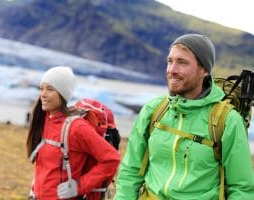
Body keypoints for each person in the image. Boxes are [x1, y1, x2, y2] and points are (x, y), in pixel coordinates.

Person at [114, 34, 254, 199]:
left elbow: (242, 189)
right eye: (170, 61)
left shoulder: (227, 121)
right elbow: (130, 171)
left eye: (182, 62)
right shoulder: (154, 110)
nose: (172, 70)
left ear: (204, 70)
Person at [26, 66, 120, 200]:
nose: (43, 94)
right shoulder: (45, 120)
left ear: (63, 94)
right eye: (42, 88)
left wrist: (80, 186)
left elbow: (111, 159)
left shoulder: (76, 128)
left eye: (50, 89)